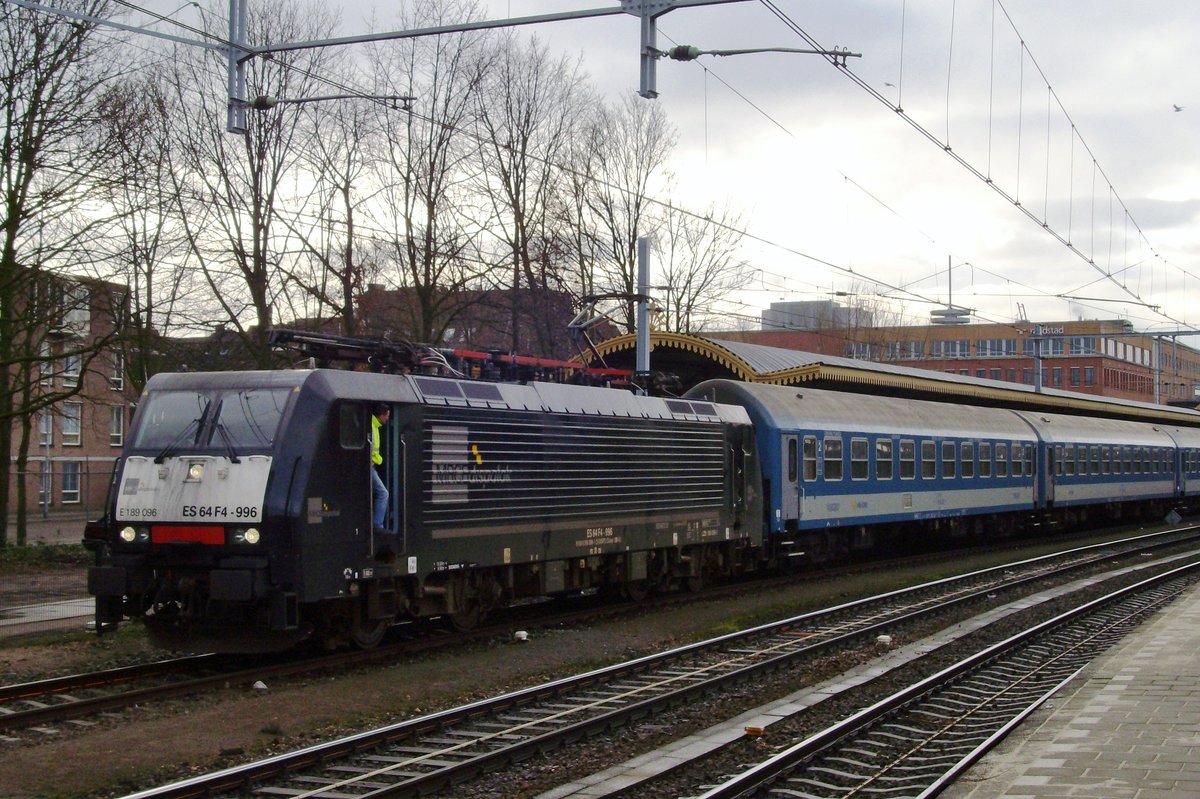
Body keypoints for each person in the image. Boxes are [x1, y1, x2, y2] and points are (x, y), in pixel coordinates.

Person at [370, 403, 391, 534]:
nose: (388, 419)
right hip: (369, 467)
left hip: (372, 466)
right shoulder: (372, 427)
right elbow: (371, 451)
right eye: (387, 416)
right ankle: (378, 525)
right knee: (384, 493)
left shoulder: (375, 426)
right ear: (382, 415)